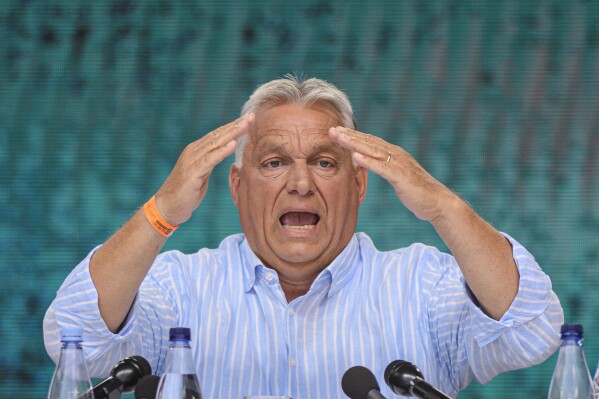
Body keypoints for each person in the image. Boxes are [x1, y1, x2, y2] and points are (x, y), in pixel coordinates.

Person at [44, 76, 564, 398]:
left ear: (359, 184)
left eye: (323, 162)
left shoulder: (421, 285)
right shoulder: (180, 286)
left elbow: (534, 330)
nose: (300, 183)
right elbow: (73, 342)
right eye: (273, 163)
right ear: (237, 185)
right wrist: (160, 213)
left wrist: (444, 207)